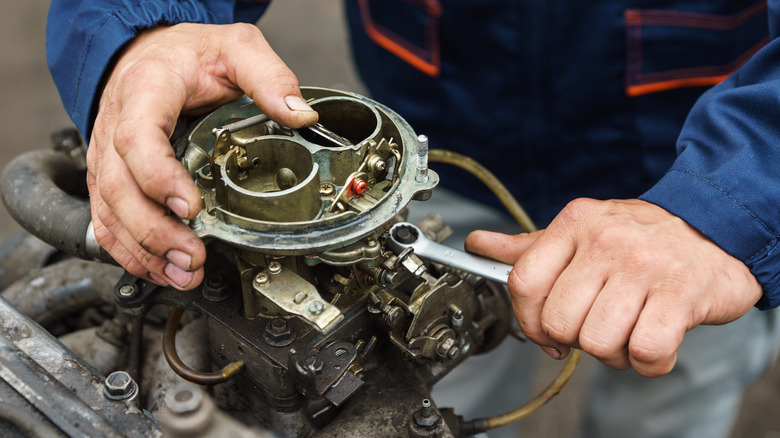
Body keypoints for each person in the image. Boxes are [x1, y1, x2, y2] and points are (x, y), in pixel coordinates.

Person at [46, 1, 780, 436]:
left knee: (664, 388)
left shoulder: (715, 210)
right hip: (442, 154)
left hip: (691, 198)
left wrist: (733, 204)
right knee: (430, 392)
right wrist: (142, 28)